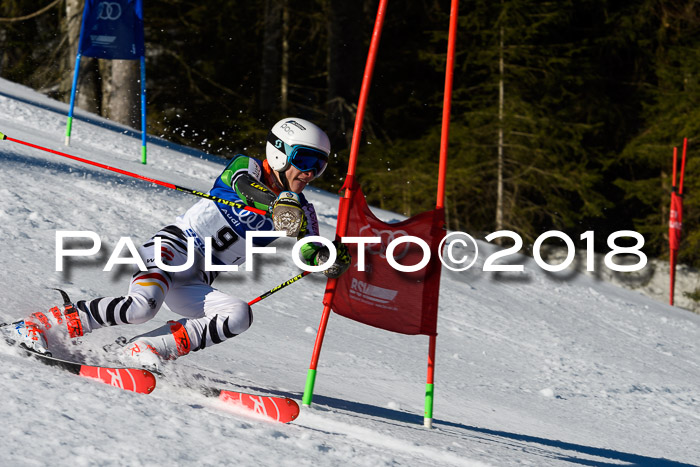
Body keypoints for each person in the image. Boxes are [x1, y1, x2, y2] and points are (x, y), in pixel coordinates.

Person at [15, 118, 351, 369]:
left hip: (198, 278)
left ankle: (143, 349)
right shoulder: (247, 167)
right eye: (304, 160)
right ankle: (40, 324)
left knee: (238, 315)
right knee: (141, 307)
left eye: (318, 166)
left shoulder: (301, 211)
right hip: (173, 249)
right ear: (279, 153)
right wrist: (275, 204)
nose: (310, 173)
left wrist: (327, 255)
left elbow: (309, 251)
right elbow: (242, 185)